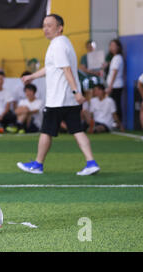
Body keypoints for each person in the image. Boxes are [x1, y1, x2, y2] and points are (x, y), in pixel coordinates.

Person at [17, 14, 100, 176]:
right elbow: (51, 68)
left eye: (49, 25)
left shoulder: (58, 45)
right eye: (44, 25)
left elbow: (66, 69)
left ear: (59, 27)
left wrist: (76, 92)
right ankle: (91, 162)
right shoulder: (63, 42)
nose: (45, 28)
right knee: (77, 130)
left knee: (46, 131)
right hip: (68, 99)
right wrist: (31, 76)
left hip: (58, 99)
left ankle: (38, 165)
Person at [105, 39, 125, 121]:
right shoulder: (115, 58)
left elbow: (115, 72)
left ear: (118, 47)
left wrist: (110, 86)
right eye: (111, 45)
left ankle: (118, 122)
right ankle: (115, 121)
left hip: (116, 85)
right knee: (114, 104)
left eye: (114, 45)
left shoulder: (117, 58)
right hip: (114, 85)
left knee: (116, 104)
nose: (112, 47)